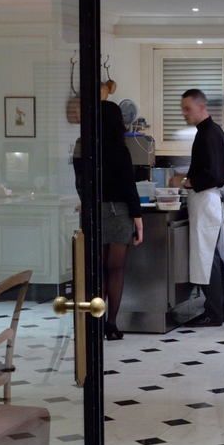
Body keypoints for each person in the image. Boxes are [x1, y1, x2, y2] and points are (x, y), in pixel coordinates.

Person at [170, 89, 224, 326]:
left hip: (205, 200)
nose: (184, 113)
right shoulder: (212, 131)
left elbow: (213, 174)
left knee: (207, 258)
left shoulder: (207, 134)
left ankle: (214, 313)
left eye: (187, 109)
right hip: (209, 201)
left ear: (201, 106)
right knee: (213, 257)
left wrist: (187, 182)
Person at [91, 98, 143, 341]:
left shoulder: (87, 148)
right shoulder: (120, 149)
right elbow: (129, 186)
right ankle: (111, 324)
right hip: (119, 212)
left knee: (99, 271)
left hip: (96, 212)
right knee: (116, 270)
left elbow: (80, 183)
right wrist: (138, 218)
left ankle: (96, 323)